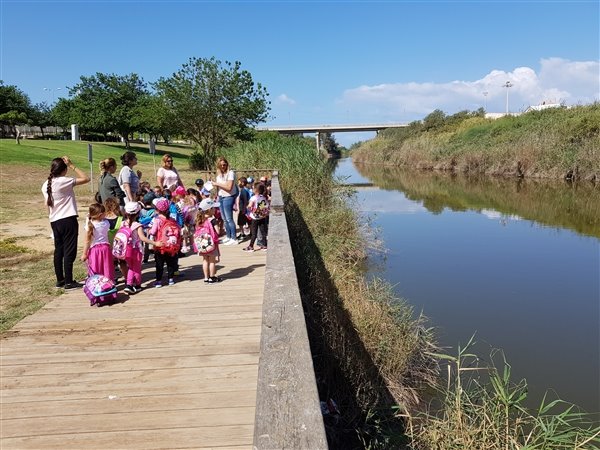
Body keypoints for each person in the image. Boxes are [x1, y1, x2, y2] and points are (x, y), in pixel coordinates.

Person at [42, 156, 90, 289]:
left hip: (55, 220)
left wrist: (51, 218)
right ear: (63, 169)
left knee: (59, 251)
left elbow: (46, 204)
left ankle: (60, 280)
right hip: (68, 219)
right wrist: (72, 165)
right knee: (70, 250)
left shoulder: (46, 184)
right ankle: (69, 281)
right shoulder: (64, 181)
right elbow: (86, 178)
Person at [121, 201, 158, 294]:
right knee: (137, 268)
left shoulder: (123, 223)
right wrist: (155, 243)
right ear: (138, 213)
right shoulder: (138, 225)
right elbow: (142, 238)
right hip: (136, 250)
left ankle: (128, 284)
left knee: (130, 267)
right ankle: (137, 285)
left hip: (126, 250)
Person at [149, 197, 179, 288]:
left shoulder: (157, 220)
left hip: (160, 245)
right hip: (170, 245)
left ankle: (159, 281)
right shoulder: (172, 219)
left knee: (159, 264)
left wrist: (149, 231)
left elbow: (153, 232)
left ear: (157, 210)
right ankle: (170, 279)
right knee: (170, 263)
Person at [81, 203, 114, 282]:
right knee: (107, 268)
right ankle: (108, 285)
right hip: (106, 249)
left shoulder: (90, 226)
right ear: (101, 214)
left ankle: (96, 286)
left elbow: (87, 241)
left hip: (94, 250)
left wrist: (84, 253)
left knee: (95, 269)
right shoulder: (106, 223)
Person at [195, 198, 222, 283]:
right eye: (214, 208)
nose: (215, 209)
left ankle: (206, 277)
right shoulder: (212, 220)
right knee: (212, 261)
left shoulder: (199, 219)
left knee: (205, 260)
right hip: (211, 244)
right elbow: (217, 231)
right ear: (210, 210)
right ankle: (212, 277)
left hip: (202, 244)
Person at [212, 157, 238, 245]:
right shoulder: (219, 175)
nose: (223, 166)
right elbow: (220, 187)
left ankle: (234, 238)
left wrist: (217, 184)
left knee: (229, 218)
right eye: (221, 165)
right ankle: (228, 236)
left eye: (224, 164)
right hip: (221, 197)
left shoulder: (230, 173)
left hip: (228, 197)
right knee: (224, 219)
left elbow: (229, 188)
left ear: (227, 164)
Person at [103, 196, 127, 283]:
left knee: (111, 264)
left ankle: (112, 279)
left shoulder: (103, 220)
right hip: (120, 245)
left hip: (108, 245)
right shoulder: (121, 218)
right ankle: (127, 278)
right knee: (122, 263)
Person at [243, 182, 270, 252]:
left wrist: (247, 208)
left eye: (253, 188)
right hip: (262, 217)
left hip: (255, 218)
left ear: (256, 190)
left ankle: (251, 246)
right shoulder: (264, 197)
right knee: (263, 231)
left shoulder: (253, 198)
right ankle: (264, 245)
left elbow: (249, 206)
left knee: (254, 233)